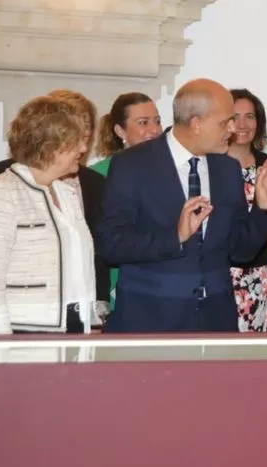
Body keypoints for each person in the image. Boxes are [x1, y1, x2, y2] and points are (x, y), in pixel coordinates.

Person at [96, 78, 267, 333]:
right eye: (225, 122)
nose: (233, 129)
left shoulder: (227, 169)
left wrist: (264, 209)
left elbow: (240, 251)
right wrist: (175, 236)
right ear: (196, 123)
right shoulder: (132, 164)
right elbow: (112, 246)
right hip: (151, 322)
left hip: (216, 321)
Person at [0, 96, 100, 335]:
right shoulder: (0, 194)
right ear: (49, 144)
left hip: (74, 329)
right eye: (75, 142)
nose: (83, 150)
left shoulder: (66, 193)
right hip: (23, 334)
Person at [88, 91, 164, 312]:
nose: (154, 130)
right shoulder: (97, 176)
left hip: (162, 282)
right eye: (143, 123)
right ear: (120, 130)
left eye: (157, 121)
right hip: (116, 281)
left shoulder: (174, 171)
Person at [226, 88, 267, 332]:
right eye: (235, 116)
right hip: (220, 273)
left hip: (257, 273)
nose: (242, 124)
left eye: (250, 117)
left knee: (253, 352)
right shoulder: (211, 164)